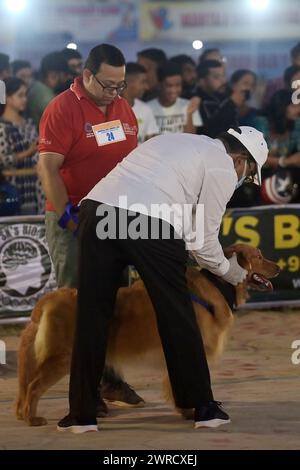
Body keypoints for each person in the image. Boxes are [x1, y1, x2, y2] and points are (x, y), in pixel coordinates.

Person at [57, 126, 268, 433]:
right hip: (150, 220)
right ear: (240, 159)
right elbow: (203, 245)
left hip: (96, 211)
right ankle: (202, 408)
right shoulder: (221, 165)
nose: (243, 179)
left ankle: (80, 414)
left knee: (92, 314)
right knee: (177, 314)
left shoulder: (174, 140)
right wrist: (237, 274)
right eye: (248, 173)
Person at [38, 43, 143, 411]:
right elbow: (48, 168)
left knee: (117, 302)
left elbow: (131, 161)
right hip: (73, 218)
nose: (115, 92)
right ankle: (85, 389)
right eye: (108, 84)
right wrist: (67, 214)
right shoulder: (62, 109)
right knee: (78, 304)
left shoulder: (123, 107)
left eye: (121, 85)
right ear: (86, 75)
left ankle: (112, 380)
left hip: (114, 217)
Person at [0, 78, 41, 214]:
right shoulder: (2, 127)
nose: (25, 99)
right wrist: (29, 152)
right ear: (7, 97)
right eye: (20, 95)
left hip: (35, 189)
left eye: (25, 95)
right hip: (14, 191)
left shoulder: (29, 123)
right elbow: (4, 161)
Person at [148, 61, 202, 134]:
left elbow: (191, 138)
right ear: (159, 85)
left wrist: (189, 113)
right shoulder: (147, 108)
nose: (174, 90)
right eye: (169, 86)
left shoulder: (189, 106)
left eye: (178, 85)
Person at [27, 51, 72, 127]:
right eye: (65, 75)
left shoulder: (38, 87)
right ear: (53, 74)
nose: (67, 78)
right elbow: (61, 122)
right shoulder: (44, 95)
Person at [122, 62, 158, 143]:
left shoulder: (146, 109)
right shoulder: (109, 108)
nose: (146, 87)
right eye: (143, 82)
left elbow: (152, 143)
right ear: (128, 81)